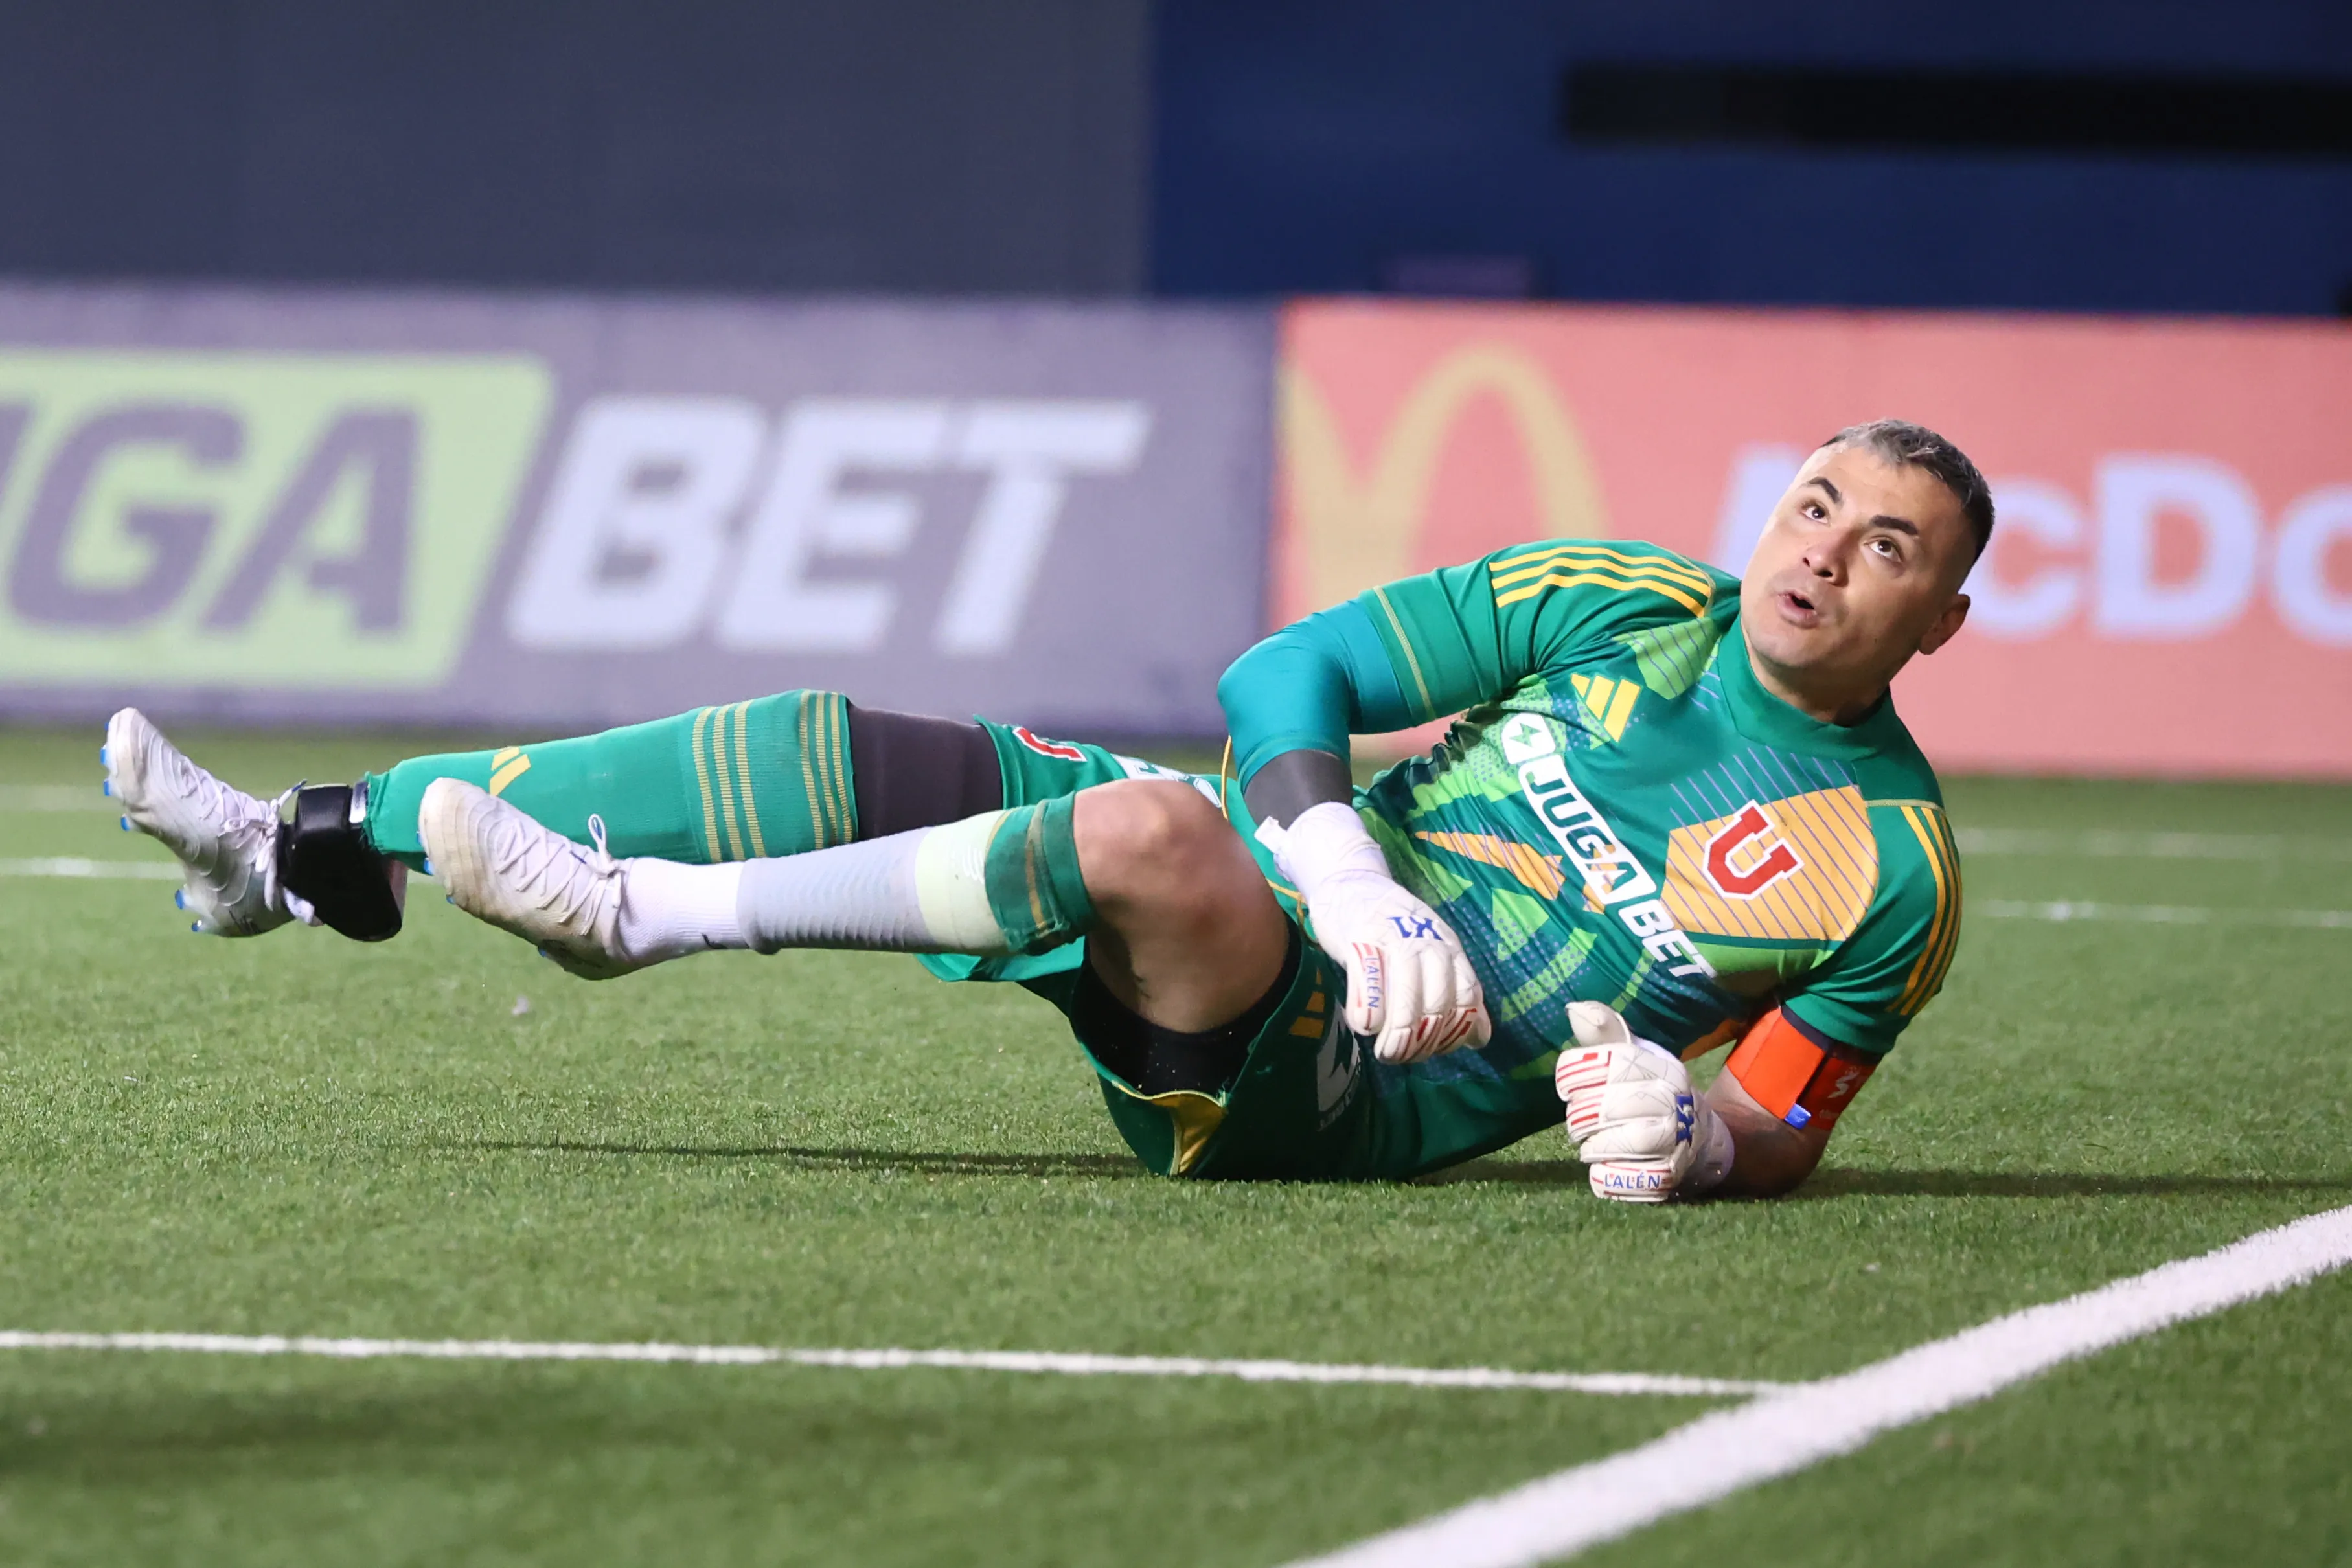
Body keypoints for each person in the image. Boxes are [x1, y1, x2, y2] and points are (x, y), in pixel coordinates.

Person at [106, 418, 1987, 1203]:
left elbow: (1781, 1120)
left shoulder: (1889, 874)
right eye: (1813, 502)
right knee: (830, 745)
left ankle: (639, 917)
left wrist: (1699, 1140)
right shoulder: (1619, 598)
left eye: (1883, 544)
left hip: (1334, 1097)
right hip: (1293, 909)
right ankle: (296, 845)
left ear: (1941, 619)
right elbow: (1285, 679)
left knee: (1158, 832)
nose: (1822, 551)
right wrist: (1348, 868)